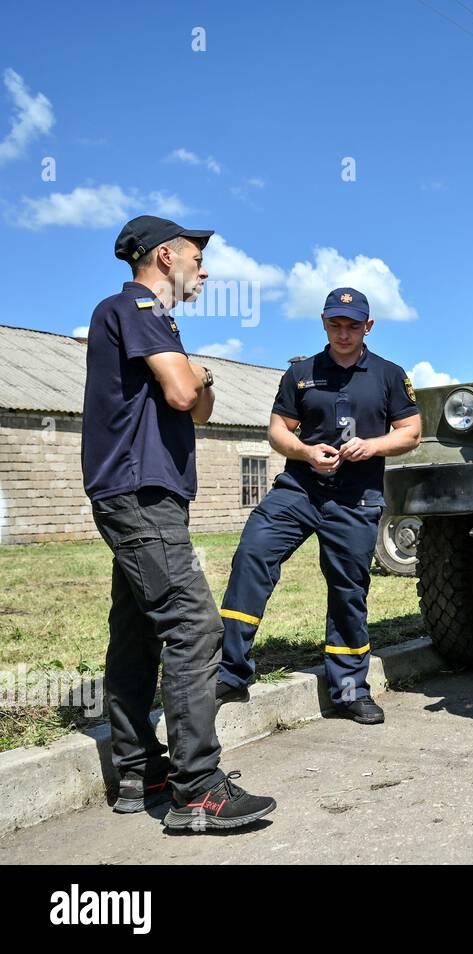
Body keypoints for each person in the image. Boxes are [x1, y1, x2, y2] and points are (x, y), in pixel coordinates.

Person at [83, 214, 276, 831]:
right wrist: (195, 377)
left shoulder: (148, 318)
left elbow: (199, 405)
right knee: (195, 627)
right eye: (197, 256)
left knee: (139, 630)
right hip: (141, 494)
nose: (207, 269)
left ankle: (142, 769)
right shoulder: (139, 305)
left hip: (139, 492)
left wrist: (198, 377)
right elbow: (183, 394)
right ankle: (199, 790)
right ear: (165, 256)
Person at [216, 288, 422, 724]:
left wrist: (372, 446)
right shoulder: (301, 373)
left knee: (348, 589)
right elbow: (277, 431)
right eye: (335, 324)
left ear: (368, 326)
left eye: (352, 325)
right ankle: (229, 672)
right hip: (299, 489)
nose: (343, 333)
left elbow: (411, 433)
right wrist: (307, 452)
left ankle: (350, 691)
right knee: (252, 554)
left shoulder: (388, 374)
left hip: (356, 498)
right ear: (324, 323)